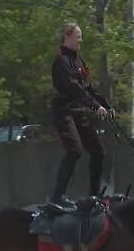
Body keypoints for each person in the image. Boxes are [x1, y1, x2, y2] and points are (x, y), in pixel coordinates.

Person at [49, 23, 114, 207]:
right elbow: (74, 88)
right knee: (75, 150)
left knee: (98, 151)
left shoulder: (79, 61)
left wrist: (105, 106)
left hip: (78, 112)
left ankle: (93, 196)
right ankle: (57, 195)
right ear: (67, 37)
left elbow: (88, 88)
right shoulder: (61, 61)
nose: (81, 40)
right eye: (78, 36)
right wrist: (95, 107)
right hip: (64, 112)